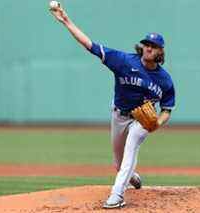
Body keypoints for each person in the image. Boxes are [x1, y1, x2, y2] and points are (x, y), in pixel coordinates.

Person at [49, 4, 175, 209]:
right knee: (118, 164)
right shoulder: (124, 61)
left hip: (142, 121)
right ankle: (131, 176)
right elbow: (90, 45)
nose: (148, 47)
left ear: (160, 51)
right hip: (119, 116)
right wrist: (66, 21)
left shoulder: (165, 80)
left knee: (133, 142)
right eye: (146, 44)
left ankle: (117, 195)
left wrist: (157, 123)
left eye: (153, 45)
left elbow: (168, 108)